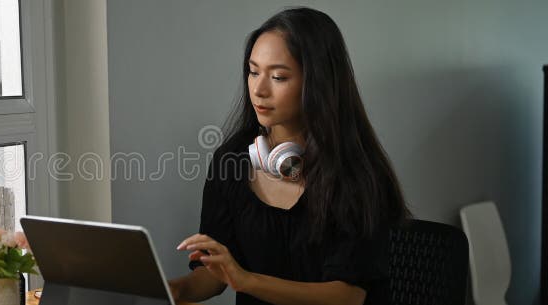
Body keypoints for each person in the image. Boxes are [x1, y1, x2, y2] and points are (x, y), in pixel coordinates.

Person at [169, 7, 411, 305]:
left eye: (279, 77)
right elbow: (216, 276)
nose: (259, 89)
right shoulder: (231, 159)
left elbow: (346, 296)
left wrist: (246, 280)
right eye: (253, 71)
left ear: (317, 82)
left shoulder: (359, 173)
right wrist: (175, 290)